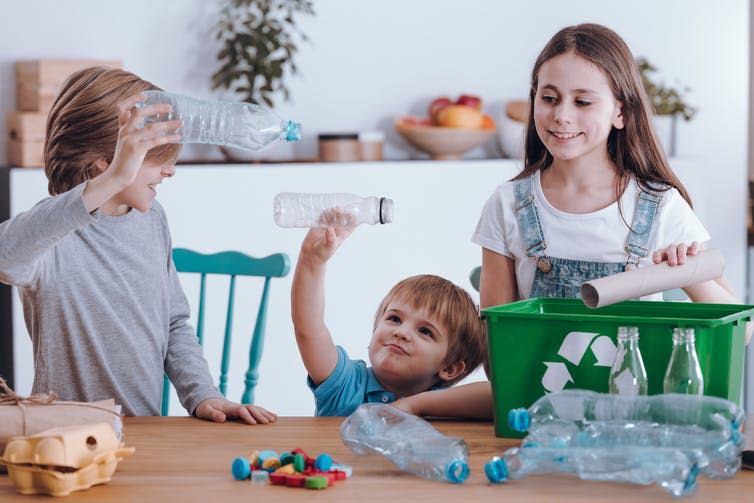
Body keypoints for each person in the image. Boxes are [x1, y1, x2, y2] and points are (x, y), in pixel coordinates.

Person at [394, 23, 747, 419]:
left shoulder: (660, 207)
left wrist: (686, 273)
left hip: (634, 421)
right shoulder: (508, 204)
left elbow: (743, 332)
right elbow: (498, 358)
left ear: (620, 112)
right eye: (549, 98)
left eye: (583, 102)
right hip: (538, 418)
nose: (562, 116)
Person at [0, 67, 276, 424]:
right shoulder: (53, 233)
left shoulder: (152, 219)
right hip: (63, 440)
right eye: (155, 158)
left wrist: (203, 393)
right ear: (106, 164)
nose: (170, 171)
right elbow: (6, 254)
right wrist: (115, 177)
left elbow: (173, 323)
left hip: (143, 433)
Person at [291, 224, 487, 417]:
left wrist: (415, 405)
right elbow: (310, 330)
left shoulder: (443, 407)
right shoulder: (345, 384)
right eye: (394, 318)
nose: (401, 332)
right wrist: (312, 261)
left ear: (450, 368)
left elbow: (496, 398)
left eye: (425, 331)